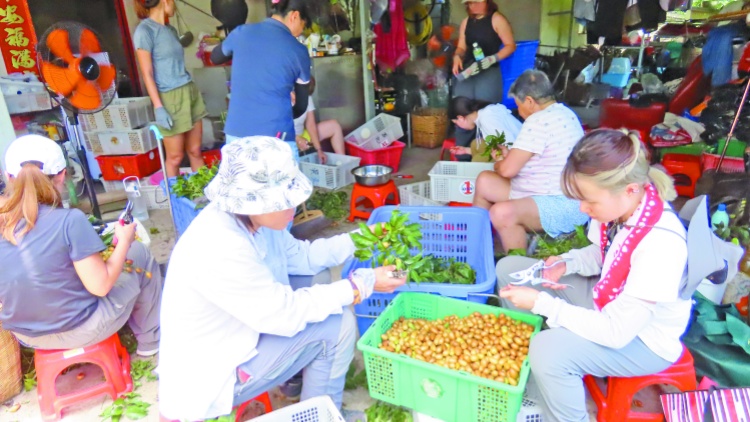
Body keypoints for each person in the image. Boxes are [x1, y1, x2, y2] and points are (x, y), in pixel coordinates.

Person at [158, 137, 407, 421]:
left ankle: (298, 381)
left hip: (248, 328)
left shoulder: (256, 221)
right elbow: (284, 314)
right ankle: (322, 415)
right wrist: (360, 286)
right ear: (255, 202)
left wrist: (364, 237)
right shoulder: (223, 245)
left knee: (318, 276)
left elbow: (305, 258)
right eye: (286, 200)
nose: (297, 204)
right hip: (213, 373)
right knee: (340, 325)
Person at [496, 129, 691, 421]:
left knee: (548, 350)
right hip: (610, 301)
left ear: (629, 189)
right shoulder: (622, 210)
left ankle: (562, 395)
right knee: (509, 270)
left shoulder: (660, 245)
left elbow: (616, 332)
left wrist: (544, 304)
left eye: (590, 201)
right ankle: (539, 383)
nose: (583, 209)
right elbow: (603, 253)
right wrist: (567, 263)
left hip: (641, 340)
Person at [0, 135, 162, 355]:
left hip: (27, 337)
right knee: (138, 252)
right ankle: (150, 342)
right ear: (62, 175)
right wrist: (124, 241)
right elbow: (101, 286)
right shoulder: (70, 220)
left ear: (9, 177)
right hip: (84, 329)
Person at [472, 70, 589, 252]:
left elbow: (506, 171)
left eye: (518, 105)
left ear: (529, 101)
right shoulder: (566, 113)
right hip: (543, 191)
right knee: (485, 181)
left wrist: (500, 162)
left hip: (559, 203)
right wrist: (509, 156)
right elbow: (536, 156)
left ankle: (516, 267)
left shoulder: (538, 121)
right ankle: (478, 246)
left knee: (501, 213)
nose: (518, 111)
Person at [211, 0, 312, 158]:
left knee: (242, 182)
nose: (300, 32)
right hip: (277, 137)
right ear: (295, 16)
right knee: (280, 183)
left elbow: (215, 57)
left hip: (237, 134)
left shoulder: (241, 33)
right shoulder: (299, 50)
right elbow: (301, 106)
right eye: (303, 26)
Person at [133, 0, 207, 177]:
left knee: (195, 151)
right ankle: (175, 202)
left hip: (189, 91)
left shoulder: (170, 30)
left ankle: (207, 196)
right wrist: (159, 107)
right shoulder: (145, 31)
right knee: (175, 156)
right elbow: (147, 73)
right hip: (169, 97)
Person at [452, 0, 516, 151]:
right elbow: (461, 46)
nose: (473, 6)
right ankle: (462, 154)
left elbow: (510, 45)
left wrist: (494, 58)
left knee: (486, 111)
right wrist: (457, 56)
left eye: (476, 2)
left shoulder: (497, 19)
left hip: (489, 69)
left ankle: (487, 155)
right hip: (468, 70)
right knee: (461, 110)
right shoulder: (466, 22)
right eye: (470, 3)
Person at [448, 96, 522, 162]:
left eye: (456, 123)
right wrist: (465, 150)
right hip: (512, 148)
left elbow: (510, 143)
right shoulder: (483, 112)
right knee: (475, 144)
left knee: (477, 160)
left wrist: (501, 161)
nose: (458, 126)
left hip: (519, 153)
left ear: (460, 118)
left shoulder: (487, 120)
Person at [294, 78, 346, 163]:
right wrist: (297, 138)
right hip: (285, 140)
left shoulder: (306, 97)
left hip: (302, 137)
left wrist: (318, 149)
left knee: (334, 126)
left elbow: (310, 125)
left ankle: (343, 163)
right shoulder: (280, 99)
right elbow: (274, 130)